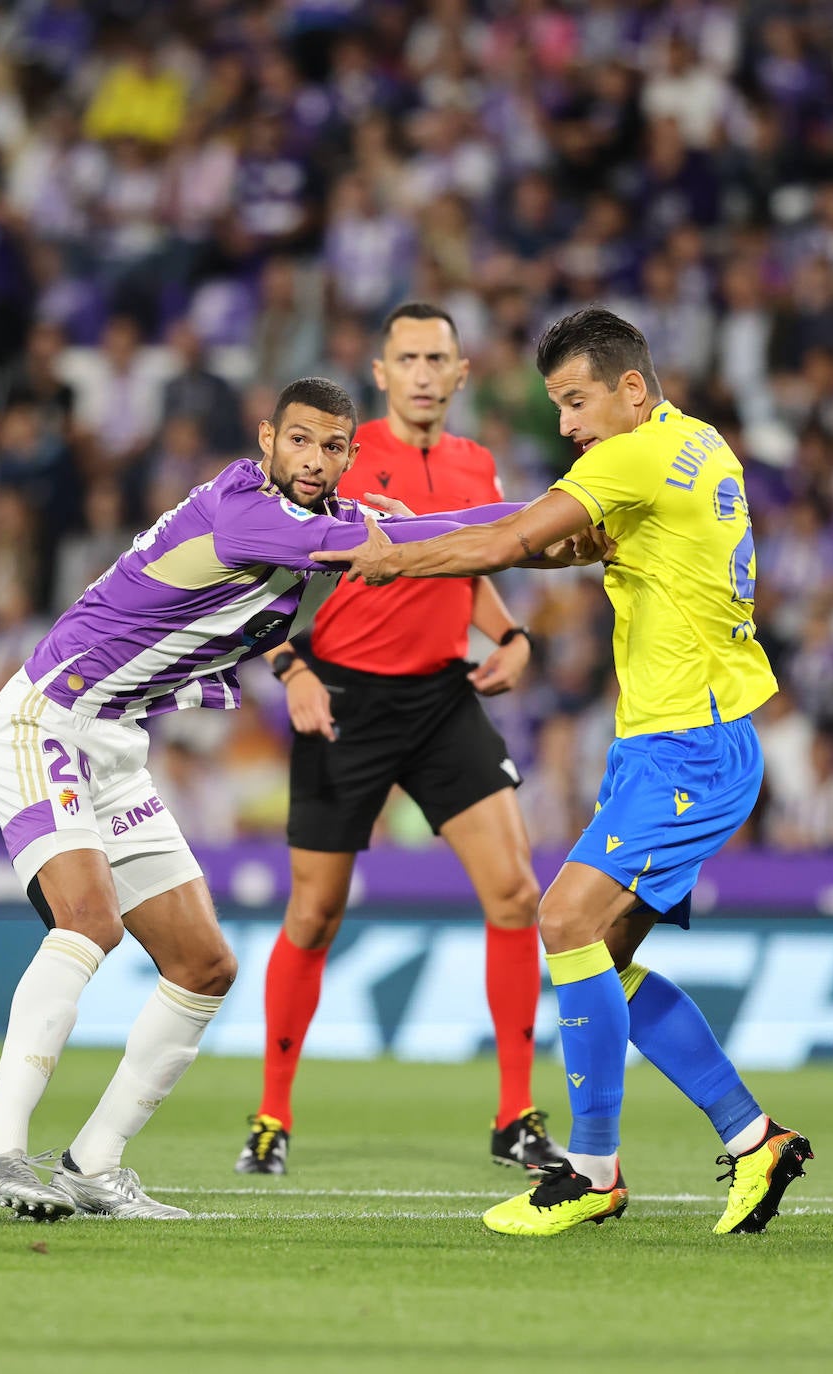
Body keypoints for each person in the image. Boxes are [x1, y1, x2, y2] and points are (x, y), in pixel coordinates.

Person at [0, 375, 498, 1222]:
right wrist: (555, 521)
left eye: (333, 447)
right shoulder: (246, 513)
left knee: (205, 965)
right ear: (266, 438)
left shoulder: (309, 518)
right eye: (301, 441)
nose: (315, 460)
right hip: (47, 720)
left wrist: (530, 520)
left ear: (351, 454)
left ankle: (94, 1165)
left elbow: (402, 535)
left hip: (115, 745)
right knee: (87, 920)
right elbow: (414, 540)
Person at [317, 308, 813, 1238]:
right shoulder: (698, 445)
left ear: (631, 388)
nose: (568, 424)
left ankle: (589, 1171)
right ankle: (755, 1140)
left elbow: (511, 542)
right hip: (695, 738)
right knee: (605, 959)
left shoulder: (625, 459)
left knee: (560, 919)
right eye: (556, 405)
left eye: (577, 400)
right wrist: (466, 532)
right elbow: (562, 537)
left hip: (684, 747)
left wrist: (390, 560)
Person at [236, 302, 564, 1178]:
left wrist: (511, 634)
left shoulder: (476, 462)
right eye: (407, 357)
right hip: (343, 699)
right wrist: (293, 671)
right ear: (379, 373)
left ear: (461, 375)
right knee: (314, 914)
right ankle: (270, 1114)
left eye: (438, 358)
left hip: (439, 698)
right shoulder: (335, 458)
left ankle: (514, 1115)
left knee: (515, 895)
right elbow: (244, 573)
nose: (423, 372)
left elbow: (470, 561)